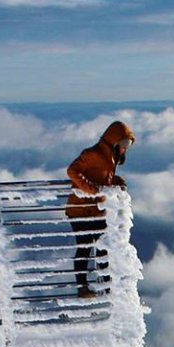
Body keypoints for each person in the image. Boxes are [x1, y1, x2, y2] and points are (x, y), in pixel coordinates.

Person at [65, 121, 135, 298]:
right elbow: (73, 171)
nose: (126, 148)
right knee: (85, 248)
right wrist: (91, 190)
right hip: (80, 210)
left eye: (129, 145)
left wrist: (115, 181)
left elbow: (101, 177)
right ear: (114, 141)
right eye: (125, 144)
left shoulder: (110, 157)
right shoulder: (93, 154)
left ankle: (106, 285)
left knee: (103, 247)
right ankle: (83, 288)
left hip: (96, 210)